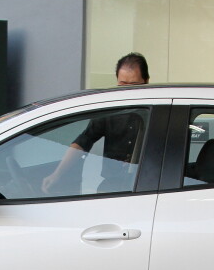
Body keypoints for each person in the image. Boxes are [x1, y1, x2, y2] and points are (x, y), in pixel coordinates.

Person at [42, 52, 150, 194]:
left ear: (146, 80)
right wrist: (57, 173)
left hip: (148, 187)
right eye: (122, 85)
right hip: (113, 186)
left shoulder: (158, 112)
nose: (128, 91)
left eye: (134, 85)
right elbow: (83, 141)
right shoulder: (111, 111)